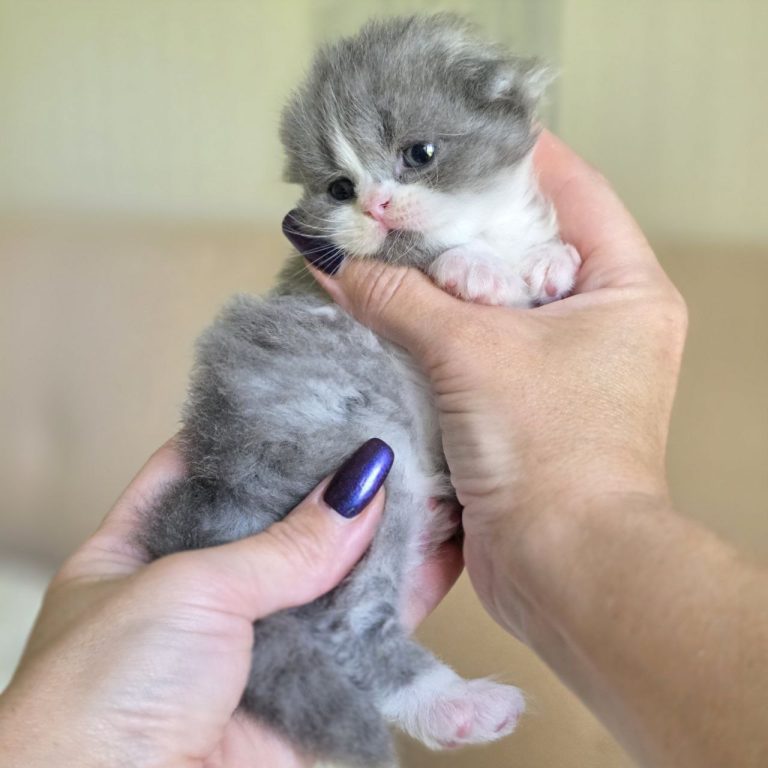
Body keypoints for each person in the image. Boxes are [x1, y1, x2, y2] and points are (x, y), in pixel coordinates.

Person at [1, 131, 765, 768]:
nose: (377, 198)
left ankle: (376, 669)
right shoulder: (387, 251)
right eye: (339, 183)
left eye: (417, 152)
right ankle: (390, 673)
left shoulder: (511, 215)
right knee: (369, 472)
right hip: (321, 408)